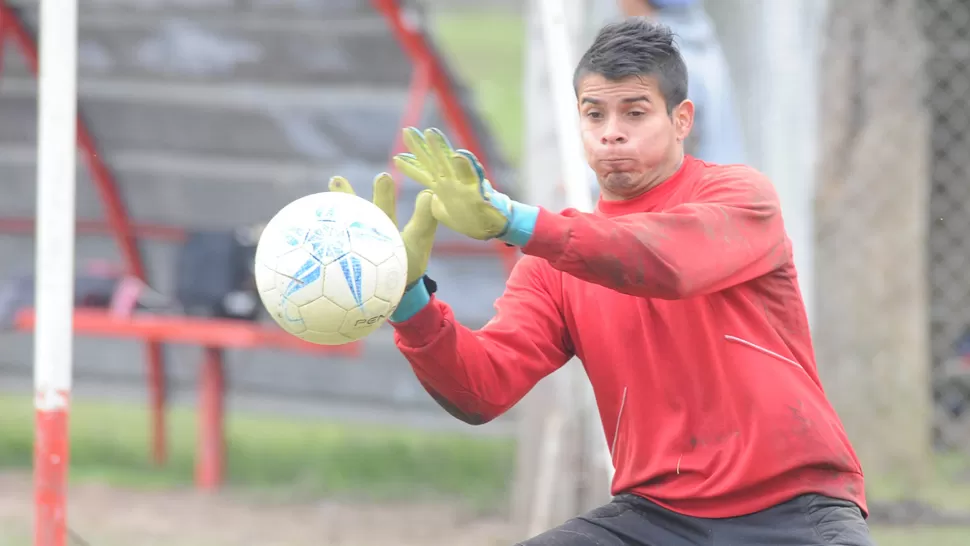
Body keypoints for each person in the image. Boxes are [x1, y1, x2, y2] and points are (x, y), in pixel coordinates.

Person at [329, 18, 873, 546]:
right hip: (657, 516)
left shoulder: (740, 196)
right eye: (595, 113)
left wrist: (513, 221)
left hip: (794, 508)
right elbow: (481, 389)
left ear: (681, 119)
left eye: (634, 112)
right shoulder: (551, 263)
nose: (611, 131)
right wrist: (406, 298)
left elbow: (663, 263)